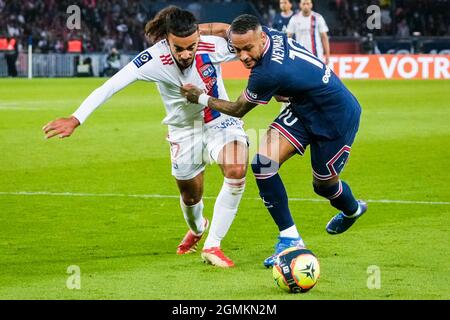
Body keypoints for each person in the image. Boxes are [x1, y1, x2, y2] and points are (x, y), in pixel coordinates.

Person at [42, 6, 248, 268]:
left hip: (220, 121)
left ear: (198, 36)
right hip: (183, 131)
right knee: (191, 197)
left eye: (191, 46)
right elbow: (110, 86)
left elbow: (249, 44)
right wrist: (76, 118)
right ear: (166, 41)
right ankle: (198, 228)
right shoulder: (151, 59)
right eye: (179, 48)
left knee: (236, 168)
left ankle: (213, 245)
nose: (185, 54)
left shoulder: (213, 46)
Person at [181, 14, 367, 268]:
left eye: (248, 49)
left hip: (336, 118)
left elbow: (237, 108)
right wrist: (188, 33)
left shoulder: (267, 73)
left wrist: (200, 97)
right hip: (303, 110)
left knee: (324, 186)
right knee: (263, 164)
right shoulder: (268, 34)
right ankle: (290, 238)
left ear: (261, 38)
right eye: (237, 50)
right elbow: (225, 28)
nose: (243, 56)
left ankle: (352, 209)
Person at [286, 0, 330, 65]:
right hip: (300, 55)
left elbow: (324, 37)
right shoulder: (294, 19)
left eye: (307, 3)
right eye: (303, 4)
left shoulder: (318, 17)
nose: (306, 6)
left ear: (311, 5)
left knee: (316, 75)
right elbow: (288, 37)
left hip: (316, 55)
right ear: (300, 5)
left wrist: (327, 56)